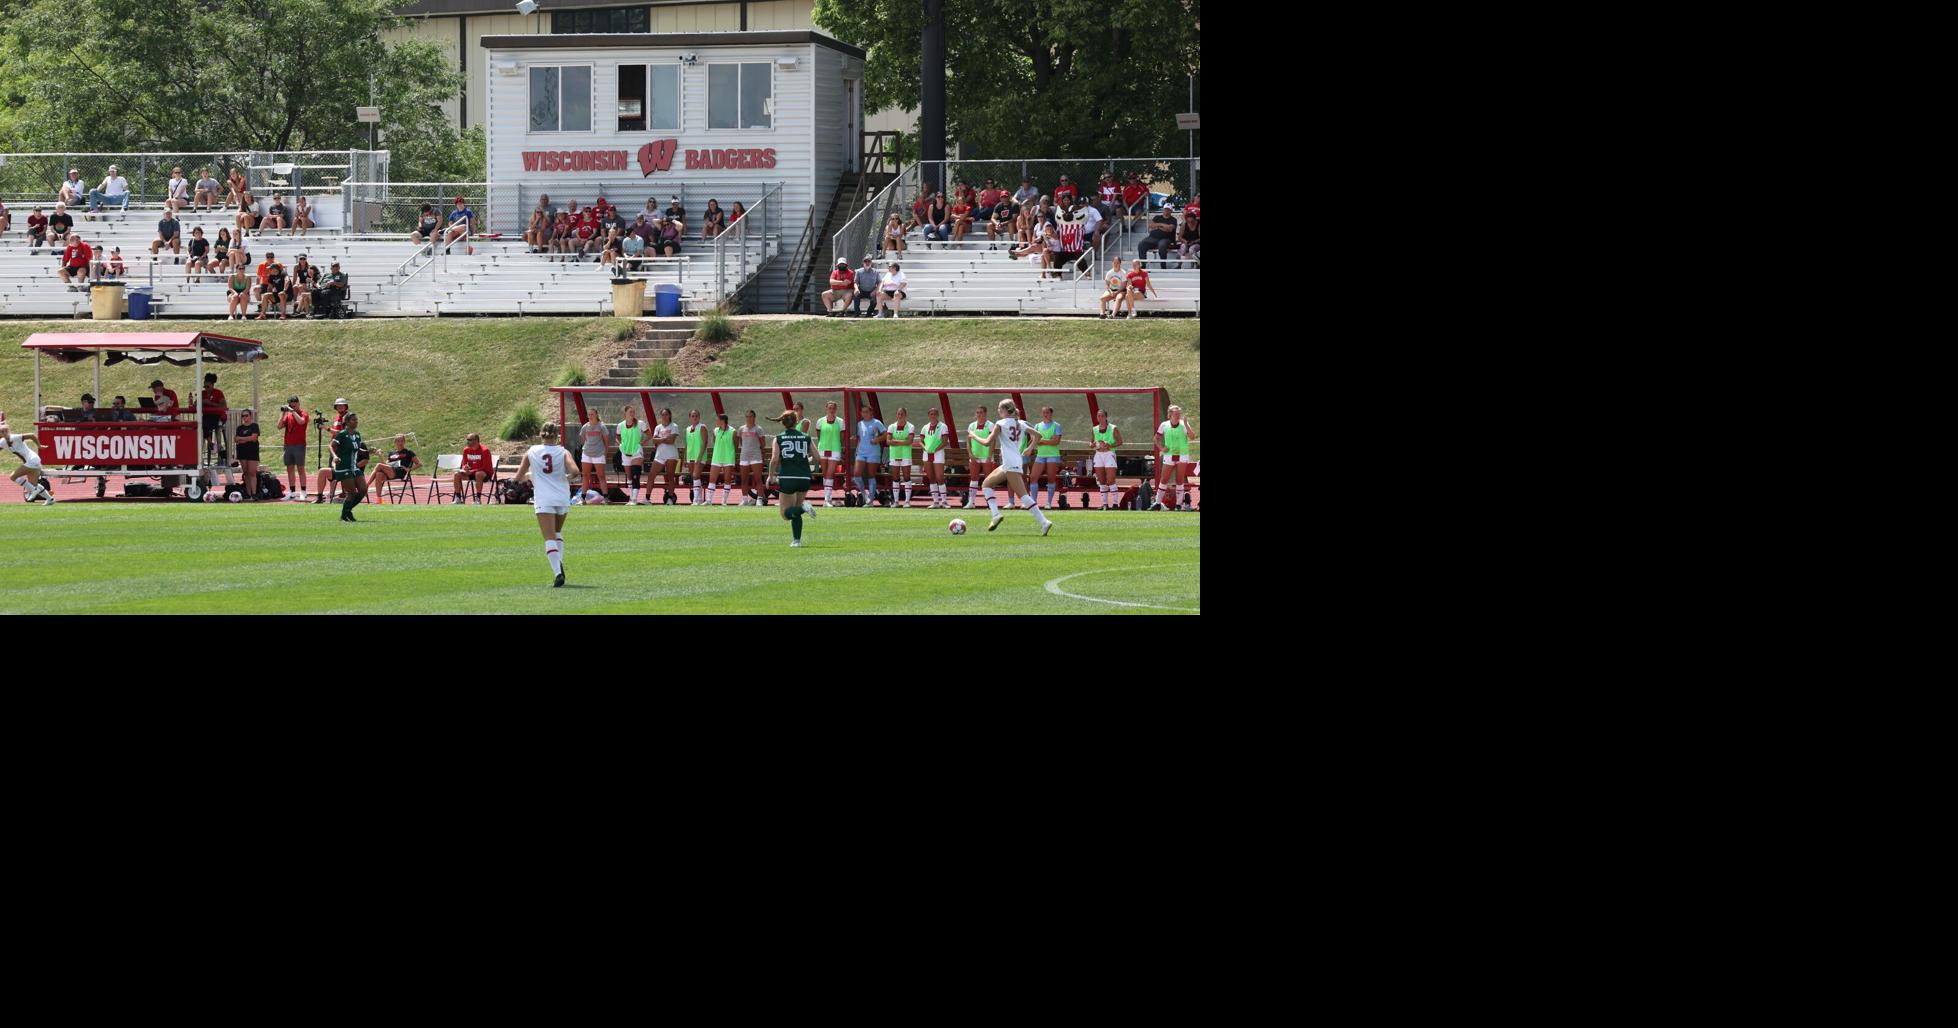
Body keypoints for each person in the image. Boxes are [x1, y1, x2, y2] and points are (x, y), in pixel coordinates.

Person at [514, 423, 576, 587]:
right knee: (557, 532)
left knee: (549, 537)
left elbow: (518, 477)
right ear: (557, 436)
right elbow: (575, 471)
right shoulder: (563, 452)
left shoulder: (532, 451)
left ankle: (558, 573)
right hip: (562, 496)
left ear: (541, 435)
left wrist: (528, 476)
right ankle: (559, 563)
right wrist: (564, 478)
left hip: (544, 498)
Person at [979, 401, 1053, 535]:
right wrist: (1029, 448)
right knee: (986, 484)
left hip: (1010, 462)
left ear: (1006, 410)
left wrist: (972, 436)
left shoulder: (1001, 423)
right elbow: (1038, 435)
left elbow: (987, 442)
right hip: (1012, 462)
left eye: (1000, 409)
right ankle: (995, 515)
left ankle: (1044, 522)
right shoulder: (1021, 423)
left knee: (1023, 495)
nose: (998, 411)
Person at [767, 410, 818, 547]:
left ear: (783, 423)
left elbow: (774, 460)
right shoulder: (806, 437)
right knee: (795, 510)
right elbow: (817, 458)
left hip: (788, 477)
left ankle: (804, 507)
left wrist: (771, 476)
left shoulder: (779, 438)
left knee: (785, 514)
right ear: (797, 421)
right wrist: (806, 460)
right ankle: (796, 540)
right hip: (804, 477)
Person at [1, 411, 55, 505]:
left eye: (4, 431)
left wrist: (39, 445)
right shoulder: (2, 442)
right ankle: (50, 499)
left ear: (8, 431)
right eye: (1, 432)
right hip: (33, 461)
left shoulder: (15, 437)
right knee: (34, 485)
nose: (3, 433)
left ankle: (34, 490)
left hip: (33, 460)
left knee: (13, 476)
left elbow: (31, 435)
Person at [1153, 405, 1197, 511]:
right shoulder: (1164, 425)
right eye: (1176, 413)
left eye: (1179, 413)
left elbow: (1192, 437)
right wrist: (1161, 448)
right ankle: (1158, 503)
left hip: (1182, 455)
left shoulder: (1183, 424)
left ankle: (1178, 505)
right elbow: (1156, 438)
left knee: (1179, 480)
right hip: (1169, 455)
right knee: (1164, 479)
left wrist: (1186, 424)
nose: (1178, 415)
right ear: (1170, 414)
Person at [313, 399, 355, 502]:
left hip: (342, 449)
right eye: (338, 406)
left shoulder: (347, 417)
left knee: (340, 471)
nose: (340, 407)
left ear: (346, 406)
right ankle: (331, 495)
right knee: (332, 471)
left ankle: (345, 494)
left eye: (342, 405)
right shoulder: (337, 417)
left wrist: (325, 428)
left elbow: (342, 433)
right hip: (334, 448)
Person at [329, 412, 368, 522]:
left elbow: (357, 448)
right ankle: (344, 515)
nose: (356, 422)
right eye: (353, 420)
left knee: (363, 490)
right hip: (343, 467)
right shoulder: (342, 434)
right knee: (351, 493)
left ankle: (347, 511)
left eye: (356, 420)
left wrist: (367, 451)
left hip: (354, 467)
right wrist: (335, 456)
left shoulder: (357, 434)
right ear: (347, 422)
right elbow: (331, 446)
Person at [813, 400, 846, 506]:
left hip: (835, 449)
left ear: (836, 409)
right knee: (825, 474)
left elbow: (842, 438)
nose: (831, 410)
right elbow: (819, 436)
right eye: (829, 408)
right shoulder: (820, 421)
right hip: (823, 449)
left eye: (833, 408)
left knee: (830, 473)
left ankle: (827, 499)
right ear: (826, 408)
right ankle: (827, 499)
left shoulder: (841, 422)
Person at [1029, 406, 1064, 507]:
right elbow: (1034, 441)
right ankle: (1034, 502)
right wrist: (1048, 440)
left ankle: (1048, 502)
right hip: (1040, 455)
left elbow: (1056, 441)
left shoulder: (1056, 426)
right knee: (1033, 477)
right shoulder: (1037, 426)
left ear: (1051, 413)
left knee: (1051, 479)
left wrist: (1042, 441)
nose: (1045, 414)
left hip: (1053, 455)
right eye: (1044, 412)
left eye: (1047, 412)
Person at [368, 434, 421, 499]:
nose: (400, 443)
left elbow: (419, 464)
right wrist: (380, 456)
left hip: (400, 472)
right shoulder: (392, 452)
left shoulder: (408, 452)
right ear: (395, 442)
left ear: (404, 442)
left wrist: (409, 469)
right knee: (379, 474)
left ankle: (366, 486)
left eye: (402, 441)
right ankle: (379, 499)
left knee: (379, 465)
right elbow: (385, 464)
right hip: (390, 472)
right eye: (398, 441)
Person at [852, 404, 885, 507]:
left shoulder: (877, 422)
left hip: (873, 452)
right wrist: (857, 448)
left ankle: (870, 500)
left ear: (871, 412)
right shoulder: (859, 424)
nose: (864, 414)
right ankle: (864, 494)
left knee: (871, 475)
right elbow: (860, 437)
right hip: (861, 452)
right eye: (863, 412)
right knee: (856, 474)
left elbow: (885, 434)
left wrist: (877, 439)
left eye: (866, 412)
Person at [1090, 410, 1124, 509]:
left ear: (1106, 417)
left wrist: (1110, 445)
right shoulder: (1094, 429)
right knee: (1101, 481)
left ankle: (1115, 504)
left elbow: (1120, 441)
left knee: (1110, 480)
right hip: (1098, 455)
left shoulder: (1113, 428)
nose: (1100, 418)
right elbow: (1091, 442)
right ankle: (1105, 504)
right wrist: (1092, 445)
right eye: (1098, 416)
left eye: (1102, 416)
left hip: (1109, 454)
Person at [647, 408, 680, 505]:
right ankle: (647, 498)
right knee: (651, 475)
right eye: (662, 415)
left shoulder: (674, 426)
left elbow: (671, 441)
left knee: (670, 476)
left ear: (670, 415)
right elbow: (654, 441)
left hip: (671, 455)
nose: (664, 416)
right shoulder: (658, 427)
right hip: (660, 455)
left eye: (666, 414)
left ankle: (670, 498)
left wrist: (659, 439)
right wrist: (665, 438)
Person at [965, 404, 995, 509]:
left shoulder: (990, 425)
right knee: (973, 479)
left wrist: (989, 456)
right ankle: (971, 502)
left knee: (988, 480)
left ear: (985, 413)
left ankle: (990, 503)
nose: (979, 414)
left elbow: (992, 442)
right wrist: (970, 454)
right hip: (975, 456)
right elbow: (968, 442)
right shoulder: (971, 426)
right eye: (977, 412)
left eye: (981, 412)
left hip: (986, 456)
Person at [279, 397, 309, 500]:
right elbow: (279, 426)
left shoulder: (303, 413)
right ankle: (292, 492)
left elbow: (301, 422)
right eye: (290, 405)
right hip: (288, 445)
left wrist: (293, 412)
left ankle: (303, 491)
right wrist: (283, 413)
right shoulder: (288, 416)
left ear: (298, 403)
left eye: (294, 404)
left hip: (299, 445)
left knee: (300, 468)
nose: (292, 406)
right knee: (290, 469)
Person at [919, 408, 950, 508]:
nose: (933, 416)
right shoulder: (925, 427)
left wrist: (936, 449)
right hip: (927, 454)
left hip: (938, 453)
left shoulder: (943, 426)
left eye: (935, 414)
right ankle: (935, 502)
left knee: (940, 477)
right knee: (931, 478)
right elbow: (921, 441)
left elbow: (945, 441)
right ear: (929, 415)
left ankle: (944, 502)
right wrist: (925, 448)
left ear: (938, 415)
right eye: (931, 414)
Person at [884, 408, 915, 507]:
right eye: (898, 414)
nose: (900, 415)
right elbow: (888, 441)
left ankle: (907, 501)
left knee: (907, 477)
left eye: (902, 414)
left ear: (905, 415)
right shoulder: (891, 426)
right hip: (894, 455)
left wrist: (895, 441)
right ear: (896, 415)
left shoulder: (910, 426)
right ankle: (896, 501)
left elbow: (909, 441)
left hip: (905, 454)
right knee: (895, 478)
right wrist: (902, 442)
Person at [737, 410, 768, 506]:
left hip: (756, 456)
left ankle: (759, 499)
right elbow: (741, 442)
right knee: (744, 479)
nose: (748, 418)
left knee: (758, 479)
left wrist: (757, 452)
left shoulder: (759, 429)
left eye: (750, 416)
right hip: (744, 457)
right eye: (747, 416)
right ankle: (745, 500)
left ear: (754, 417)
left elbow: (763, 444)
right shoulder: (741, 429)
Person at [707, 412, 738, 506]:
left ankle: (724, 501)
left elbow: (736, 445)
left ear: (723, 420)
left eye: (718, 419)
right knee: (712, 479)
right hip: (716, 457)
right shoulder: (715, 430)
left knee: (727, 480)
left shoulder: (733, 431)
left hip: (728, 458)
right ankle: (708, 501)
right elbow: (714, 442)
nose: (716, 421)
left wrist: (732, 456)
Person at [456, 433, 496, 502]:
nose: (468, 442)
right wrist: (465, 467)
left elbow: (485, 467)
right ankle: (458, 498)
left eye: (469, 440)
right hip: (471, 473)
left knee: (478, 474)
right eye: (467, 440)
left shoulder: (485, 450)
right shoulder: (466, 450)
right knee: (456, 474)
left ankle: (478, 499)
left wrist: (471, 471)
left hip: (485, 474)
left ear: (476, 441)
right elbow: (465, 464)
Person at [578, 409, 610, 496]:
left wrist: (605, 453)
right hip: (586, 453)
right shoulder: (585, 427)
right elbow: (583, 440)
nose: (590, 416)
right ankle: (583, 497)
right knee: (585, 475)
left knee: (601, 476)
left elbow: (606, 441)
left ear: (596, 415)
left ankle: (605, 498)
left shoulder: (601, 426)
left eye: (592, 414)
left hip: (599, 454)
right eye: (589, 415)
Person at [617, 405, 645, 503]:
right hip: (625, 452)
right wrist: (620, 444)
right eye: (630, 412)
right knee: (629, 476)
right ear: (625, 413)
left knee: (635, 475)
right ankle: (631, 498)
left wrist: (642, 443)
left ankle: (634, 499)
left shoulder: (640, 423)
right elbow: (617, 436)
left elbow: (649, 434)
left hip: (636, 451)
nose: (632, 414)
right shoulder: (620, 425)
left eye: (633, 412)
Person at [199, 372, 228, 463]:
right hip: (207, 416)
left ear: (212, 385)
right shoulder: (202, 393)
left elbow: (223, 405)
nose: (206, 389)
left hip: (217, 416)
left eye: (208, 387)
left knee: (204, 424)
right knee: (201, 423)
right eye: (205, 387)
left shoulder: (218, 393)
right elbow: (196, 404)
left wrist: (210, 403)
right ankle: (210, 443)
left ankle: (212, 443)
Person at [682, 408, 708, 504]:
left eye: (696, 415)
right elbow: (687, 444)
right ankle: (699, 499)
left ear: (699, 417)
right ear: (690, 417)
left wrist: (699, 457)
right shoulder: (688, 429)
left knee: (696, 475)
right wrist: (685, 458)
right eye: (693, 416)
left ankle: (695, 500)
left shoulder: (702, 427)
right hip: (690, 457)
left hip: (699, 457)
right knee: (694, 477)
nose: (695, 417)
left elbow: (705, 443)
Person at [234, 409, 262, 499]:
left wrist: (242, 439)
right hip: (242, 452)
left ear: (250, 416)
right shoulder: (239, 428)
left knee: (252, 472)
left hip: (252, 451)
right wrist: (247, 439)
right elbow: (236, 439)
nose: (244, 417)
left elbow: (254, 438)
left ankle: (254, 493)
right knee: (246, 473)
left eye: (246, 415)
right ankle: (248, 493)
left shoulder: (254, 426)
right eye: (243, 416)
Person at [257, 253, 289, 320]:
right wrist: (270, 296)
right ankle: (263, 314)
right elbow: (269, 287)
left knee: (281, 294)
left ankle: (283, 315)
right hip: (277, 294)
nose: (269, 270)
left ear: (275, 269)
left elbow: (287, 281)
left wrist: (284, 290)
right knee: (266, 295)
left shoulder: (283, 273)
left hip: (286, 294)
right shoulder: (271, 276)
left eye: (270, 269)